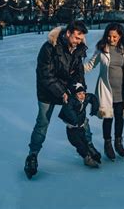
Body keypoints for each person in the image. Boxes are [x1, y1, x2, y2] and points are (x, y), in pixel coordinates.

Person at [24, 21, 101, 179]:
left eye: (82, 38)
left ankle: (88, 146)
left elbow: (79, 72)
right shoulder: (49, 47)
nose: (80, 41)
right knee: (42, 123)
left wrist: (80, 90)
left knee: (81, 119)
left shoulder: (79, 49)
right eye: (77, 37)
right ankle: (32, 155)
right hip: (47, 92)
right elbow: (45, 74)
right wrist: (61, 92)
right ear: (68, 33)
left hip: (68, 90)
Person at [84, 22, 124, 161]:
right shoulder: (102, 49)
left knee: (119, 118)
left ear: (120, 36)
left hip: (122, 91)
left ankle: (118, 143)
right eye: (109, 36)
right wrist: (76, 69)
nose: (111, 39)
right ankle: (107, 144)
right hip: (106, 90)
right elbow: (90, 65)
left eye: (115, 37)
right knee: (107, 118)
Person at [58, 83, 100, 168]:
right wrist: (75, 121)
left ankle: (91, 152)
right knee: (79, 144)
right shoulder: (70, 101)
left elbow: (93, 97)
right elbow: (69, 111)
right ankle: (86, 158)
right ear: (75, 95)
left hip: (81, 126)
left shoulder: (86, 98)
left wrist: (95, 108)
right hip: (72, 129)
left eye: (83, 93)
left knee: (85, 140)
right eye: (79, 94)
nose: (82, 96)